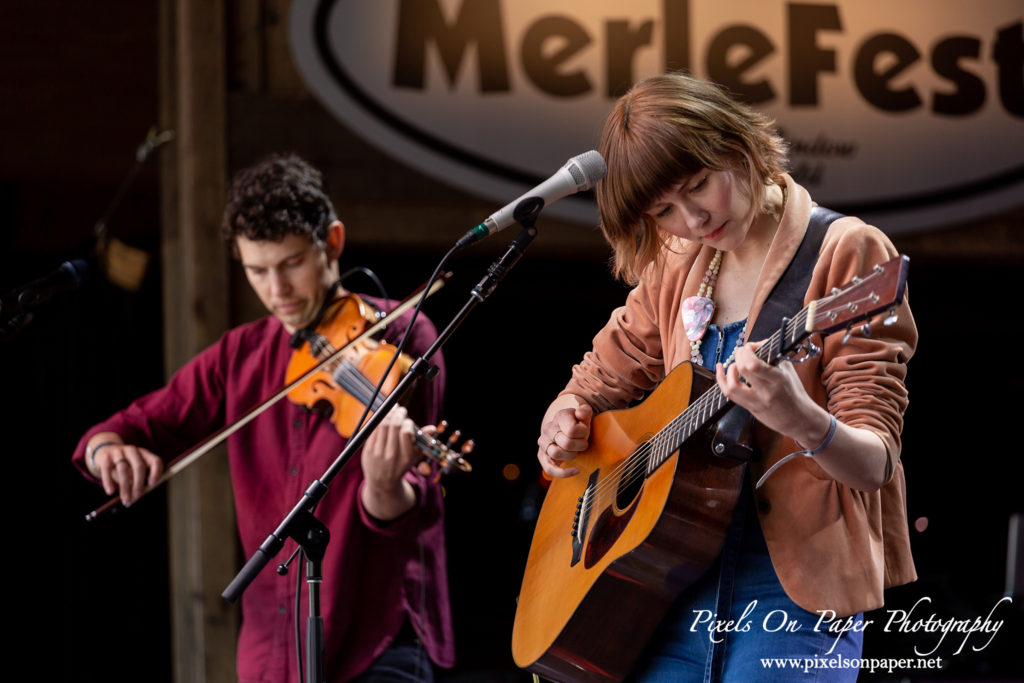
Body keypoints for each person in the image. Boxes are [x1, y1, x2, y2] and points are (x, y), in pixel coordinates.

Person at [535, 73, 917, 681]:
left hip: (795, 602)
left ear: (735, 145)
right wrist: (563, 415)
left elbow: (875, 464)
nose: (691, 218)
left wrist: (800, 418)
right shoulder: (678, 264)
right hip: (666, 592)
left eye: (698, 186)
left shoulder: (846, 252)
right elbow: (595, 378)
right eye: (664, 210)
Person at [72, 154, 454, 682]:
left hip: (376, 638)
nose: (277, 291)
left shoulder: (401, 336)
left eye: (292, 263)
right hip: (271, 653)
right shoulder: (240, 356)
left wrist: (384, 482)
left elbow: (404, 509)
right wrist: (108, 450)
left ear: (334, 243)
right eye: (258, 271)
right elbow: (127, 427)